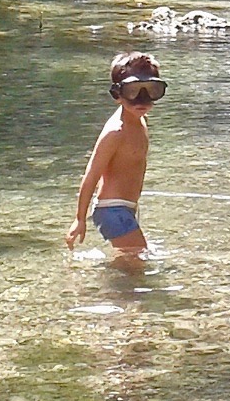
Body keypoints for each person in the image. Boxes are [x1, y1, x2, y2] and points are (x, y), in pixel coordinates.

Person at [66, 51, 167, 272]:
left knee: (132, 262)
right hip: (112, 210)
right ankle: (122, 301)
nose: (142, 99)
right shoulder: (115, 132)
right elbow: (91, 176)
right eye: (133, 91)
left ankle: (117, 294)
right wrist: (79, 219)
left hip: (126, 209)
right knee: (137, 265)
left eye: (151, 91)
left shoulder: (140, 120)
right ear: (117, 94)